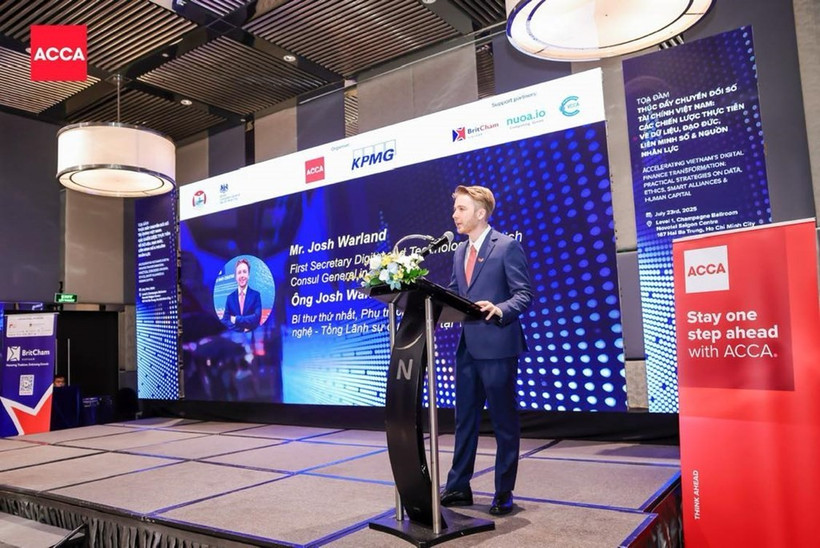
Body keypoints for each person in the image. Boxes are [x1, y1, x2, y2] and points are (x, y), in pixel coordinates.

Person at [440, 185, 533, 516]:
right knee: (464, 420)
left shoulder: (507, 246)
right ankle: (458, 487)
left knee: (504, 422)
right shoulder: (458, 251)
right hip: (468, 348)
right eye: (456, 209)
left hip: (498, 344)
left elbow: (524, 294)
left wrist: (500, 308)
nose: (455, 215)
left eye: (461, 209)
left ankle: (503, 491)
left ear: (480, 213)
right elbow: (455, 293)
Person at [222, 258, 262, 332]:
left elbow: (256, 318)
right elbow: (225, 321)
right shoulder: (230, 298)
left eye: (244, 272)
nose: (242, 275)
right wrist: (243, 328)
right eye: (239, 272)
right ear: (236, 276)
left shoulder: (256, 295)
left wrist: (236, 319)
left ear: (248, 275)